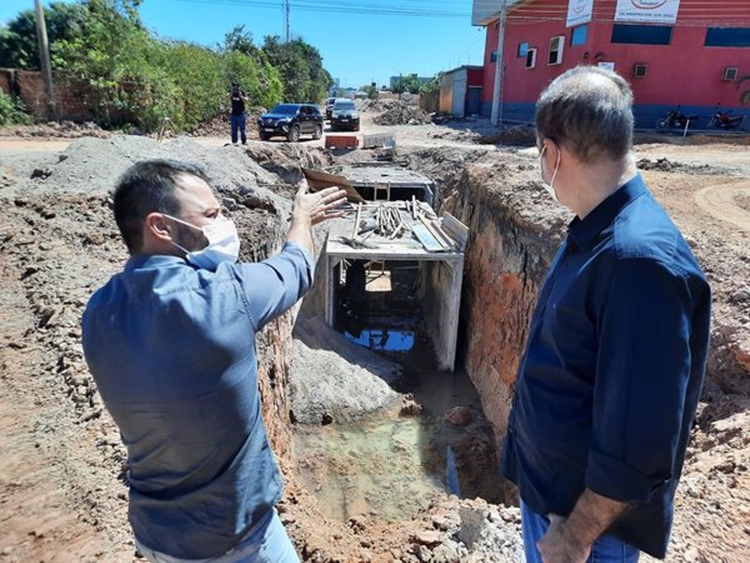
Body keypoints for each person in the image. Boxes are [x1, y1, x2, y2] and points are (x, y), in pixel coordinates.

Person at [81, 159, 347, 562]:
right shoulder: (224, 296)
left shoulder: (97, 311)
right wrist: (302, 218)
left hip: (157, 539)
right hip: (238, 540)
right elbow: (295, 268)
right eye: (211, 215)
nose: (224, 222)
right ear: (161, 226)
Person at [500, 66, 711, 563]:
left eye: (538, 154)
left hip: (589, 534)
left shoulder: (639, 263)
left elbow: (641, 441)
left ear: (551, 153)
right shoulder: (595, 234)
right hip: (556, 506)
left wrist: (575, 537)